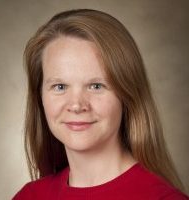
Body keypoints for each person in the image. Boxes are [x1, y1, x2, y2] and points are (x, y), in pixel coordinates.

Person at [12, 9, 189, 200]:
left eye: (96, 86)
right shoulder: (30, 196)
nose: (77, 105)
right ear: (40, 96)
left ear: (127, 93)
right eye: (60, 86)